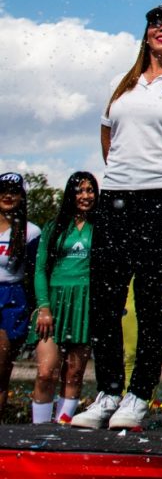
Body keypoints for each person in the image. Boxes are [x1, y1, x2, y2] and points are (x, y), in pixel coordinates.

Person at [73, 3, 162, 432]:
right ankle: (108, 392)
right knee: (105, 299)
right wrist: (127, 178)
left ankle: (138, 395)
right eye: (157, 23)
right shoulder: (124, 83)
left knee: (152, 299)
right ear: (147, 33)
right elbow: (108, 138)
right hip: (118, 198)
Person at [28, 172, 97, 425]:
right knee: (46, 372)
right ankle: (39, 429)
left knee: (74, 374)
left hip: (84, 303)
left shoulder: (100, 227)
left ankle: (62, 428)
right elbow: (39, 270)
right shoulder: (53, 226)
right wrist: (44, 306)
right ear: (70, 194)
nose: (85, 196)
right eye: (80, 191)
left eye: (90, 190)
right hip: (54, 303)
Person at [0, 171, 40, 421]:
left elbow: (37, 271)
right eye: (3, 190)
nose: (7, 195)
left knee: (2, 369)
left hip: (11, 297)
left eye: (14, 192)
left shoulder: (30, 231)